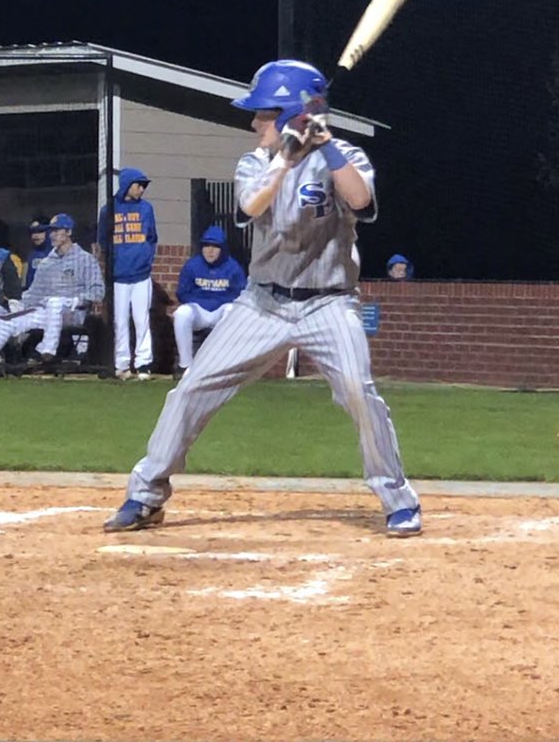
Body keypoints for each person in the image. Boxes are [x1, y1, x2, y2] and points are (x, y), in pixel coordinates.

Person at [103, 59, 421, 538]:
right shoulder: (255, 161)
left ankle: (398, 499)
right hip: (262, 305)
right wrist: (288, 155)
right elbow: (252, 205)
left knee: (359, 390)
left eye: (264, 114)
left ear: (292, 112)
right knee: (192, 388)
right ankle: (146, 495)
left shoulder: (345, 154)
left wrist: (325, 144)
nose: (254, 122)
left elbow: (358, 200)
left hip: (329, 303)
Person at [0, 213, 105, 367]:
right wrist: (18, 304)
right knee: (7, 321)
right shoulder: (47, 263)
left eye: (56, 230)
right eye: (51, 231)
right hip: (47, 312)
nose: (52, 235)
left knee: (54, 302)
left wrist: (77, 300)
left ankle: (47, 352)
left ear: (69, 232)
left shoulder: (86, 259)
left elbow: (98, 291)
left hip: (74, 312)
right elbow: (34, 294)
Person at [98, 167, 158, 381]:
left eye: (143, 185)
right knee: (120, 321)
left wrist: (146, 259)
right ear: (126, 185)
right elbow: (103, 241)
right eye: (138, 184)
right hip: (119, 276)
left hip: (141, 274)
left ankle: (143, 364)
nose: (141, 189)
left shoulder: (146, 209)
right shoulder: (109, 210)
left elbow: (152, 237)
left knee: (141, 319)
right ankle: (121, 364)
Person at [173, 225, 246, 376]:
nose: (210, 250)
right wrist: (201, 302)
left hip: (221, 312)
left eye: (215, 246)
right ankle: (185, 366)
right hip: (199, 310)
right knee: (181, 313)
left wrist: (217, 301)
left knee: (231, 311)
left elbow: (241, 295)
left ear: (222, 248)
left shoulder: (233, 267)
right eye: (206, 245)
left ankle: (223, 365)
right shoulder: (192, 266)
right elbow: (182, 293)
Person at [23, 215, 51, 290]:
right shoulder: (32, 256)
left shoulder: (58, 255)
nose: (35, 235)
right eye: (33, 232)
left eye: (40, 231)